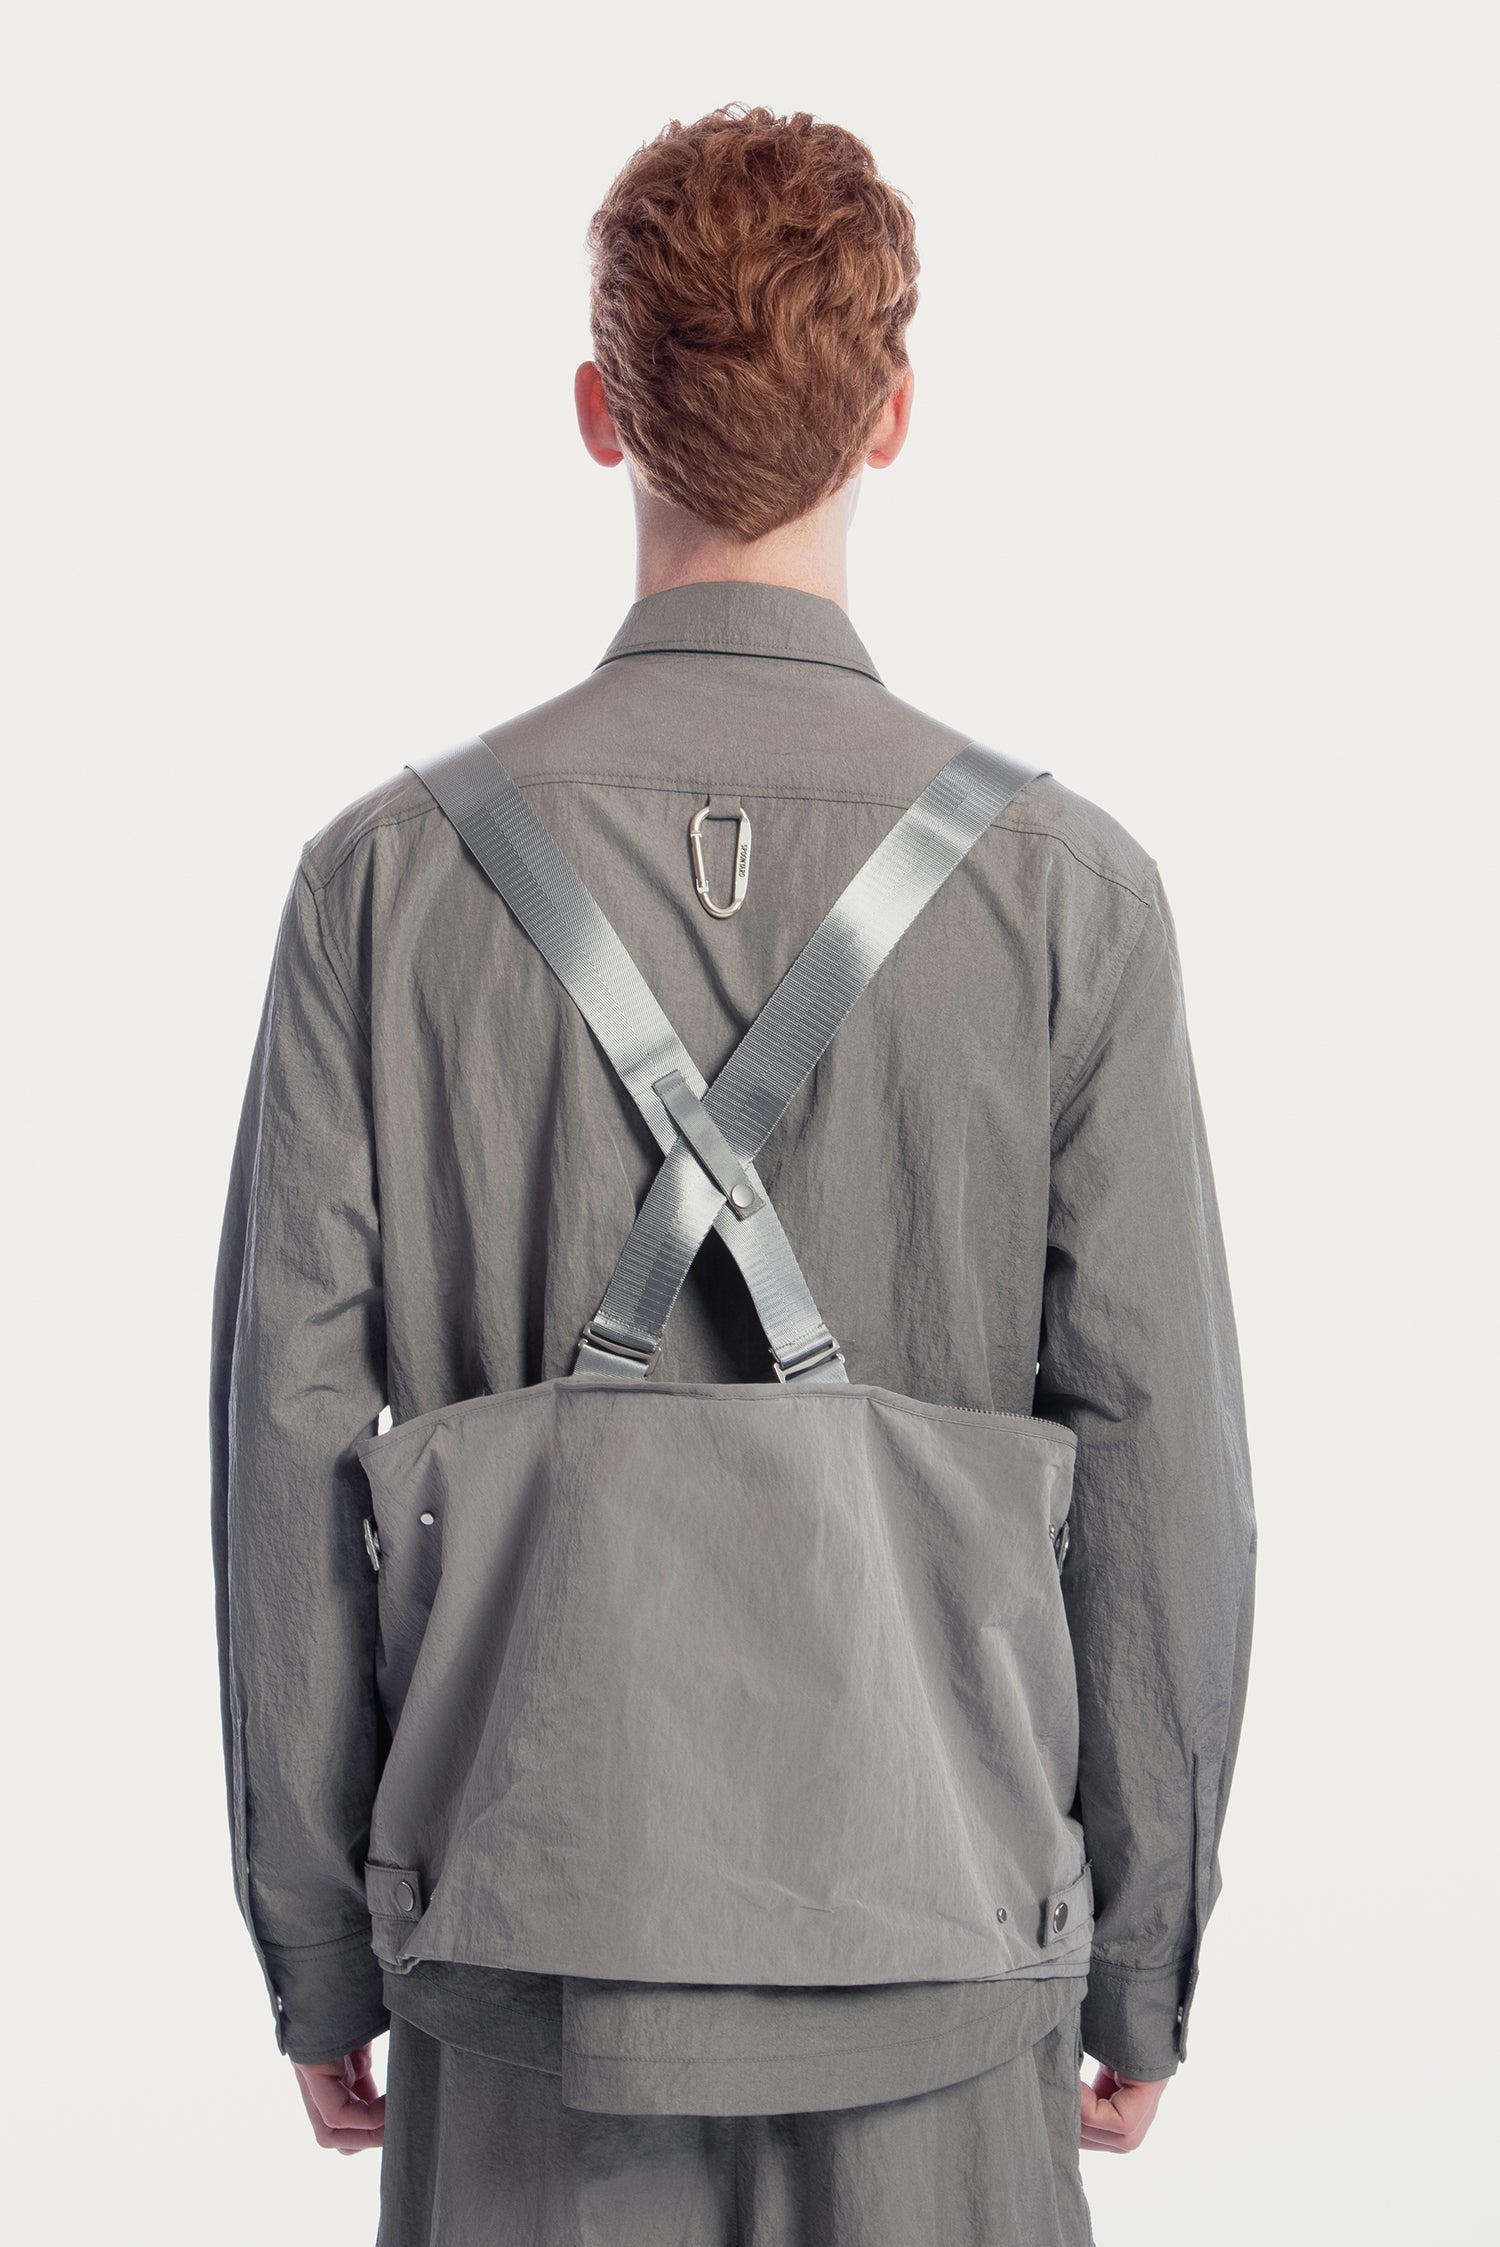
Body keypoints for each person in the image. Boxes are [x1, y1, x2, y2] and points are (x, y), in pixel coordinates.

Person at [211, 102, 1256, 2246]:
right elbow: (1165, 1467)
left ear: (601, 412)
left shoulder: (379, 887)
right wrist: (1142, 1953)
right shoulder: (1071, 898)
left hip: (522, 1986)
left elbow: (285, 1449)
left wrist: (318, 1941)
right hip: (946, 1984)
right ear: (894, 416)